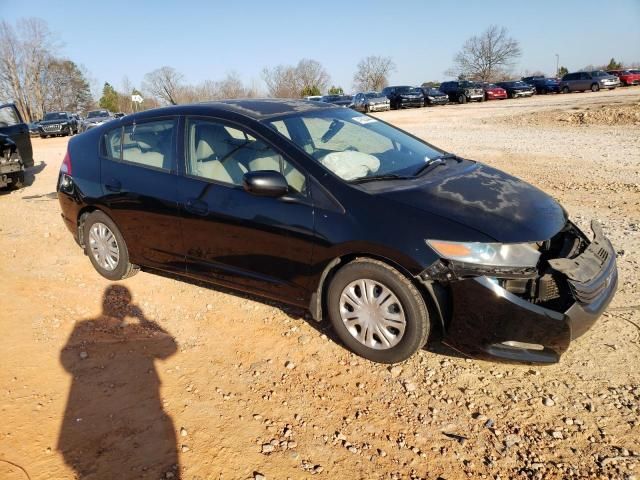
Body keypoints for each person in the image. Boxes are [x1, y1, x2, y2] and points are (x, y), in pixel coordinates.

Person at [57, 285, 179, 479]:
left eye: (121, 301)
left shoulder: (89, 328)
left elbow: (170, 347)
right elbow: (170, 346)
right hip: (120, 410)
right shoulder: (88, 327)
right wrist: (142, 318)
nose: (117, 305)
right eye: (116, 300)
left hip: (113, 410)